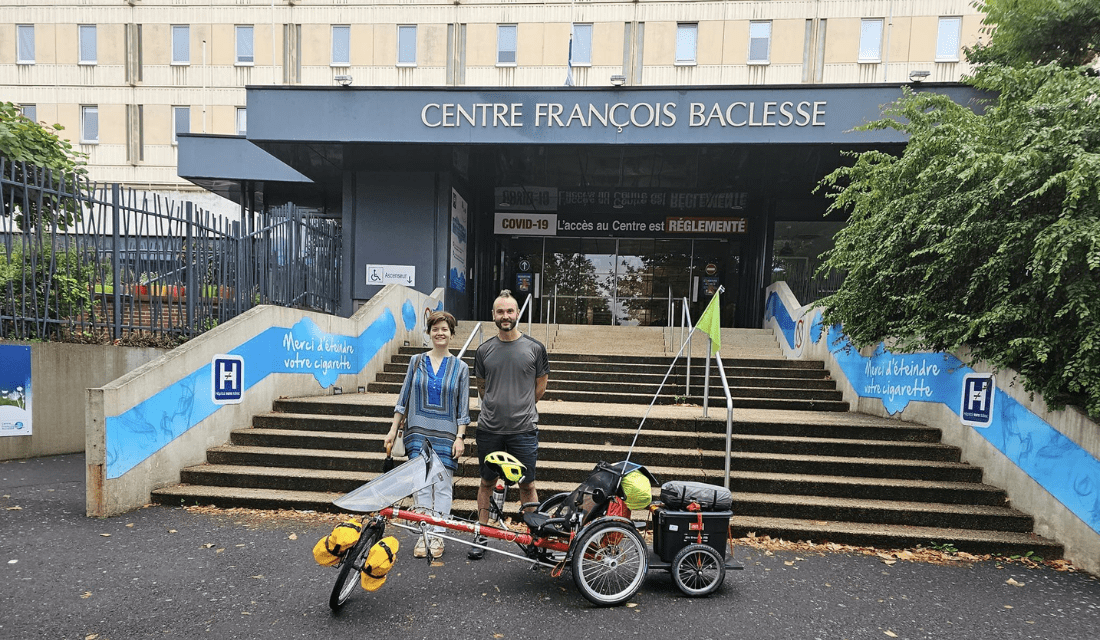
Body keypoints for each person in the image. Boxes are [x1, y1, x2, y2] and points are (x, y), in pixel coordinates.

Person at [468, 290, 549, 560]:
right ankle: (482, 532)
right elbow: (481, 387)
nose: (506, 316)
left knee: (527, 485)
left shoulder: (535, 348)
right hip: (490, 428)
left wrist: (520, 404)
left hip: (523, 430)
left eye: (510, 311)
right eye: (500, 312)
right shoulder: (483, 350)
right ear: (493, 316)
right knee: (486, 482)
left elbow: (540, 387)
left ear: (517, 313)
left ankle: (534, 539)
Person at [385, 310, 470, 559]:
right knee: (421, 486)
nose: (440, 333)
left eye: (445, 329)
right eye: (435, 329)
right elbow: (403, 398)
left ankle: (437, 536)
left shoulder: (460, 367)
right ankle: (423, 536)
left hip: (446, 434)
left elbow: (463, 407)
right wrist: (393, 430)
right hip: (417, 431)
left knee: (442, 488)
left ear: (452, 334)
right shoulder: (416, 362)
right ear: (429, 333)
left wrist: (460, 437)